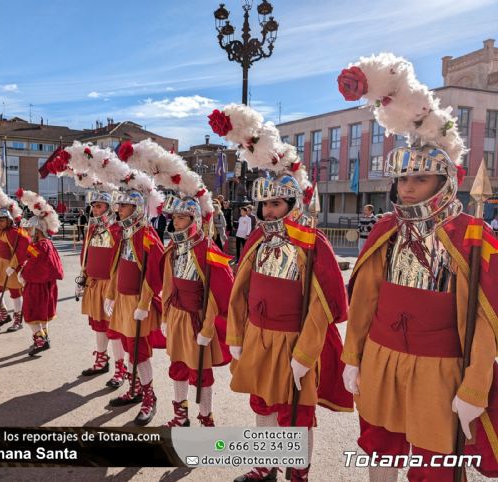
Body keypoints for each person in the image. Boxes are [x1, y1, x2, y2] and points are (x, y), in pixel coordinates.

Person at [339, 52, 498, 482]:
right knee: (379, 449)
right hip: (381, 356)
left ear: (445, 182)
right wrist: (353, 355)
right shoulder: (386, 229)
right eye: (402, 179)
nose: (407, 188)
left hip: (440, 367)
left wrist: (475, 385)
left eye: (420, 179)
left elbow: (487, 321)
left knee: (434, 465)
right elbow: (365, 299)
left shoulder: (474, 235)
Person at [208, 102, 352, 482]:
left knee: (297, 412)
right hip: (259, 335)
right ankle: (265, 462)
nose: (269, 210)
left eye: (276, 203)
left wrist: (306, 353)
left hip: (295, 340)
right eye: (265, 203)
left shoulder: (312, 243)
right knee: (264, 404)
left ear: (292, 203)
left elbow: (323, 304)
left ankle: (298, 470)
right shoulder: (256, 237)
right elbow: (240, 291)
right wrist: (237, 336)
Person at [160, 194, 233, 428]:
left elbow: (217, 292)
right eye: (174, 218)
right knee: (177, 366)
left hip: (198, 320)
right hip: (177, 316)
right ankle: (181, 414)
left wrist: (208, 327)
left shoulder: (207, 250)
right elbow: (167, 285)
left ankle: (206, 417)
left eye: (181, 218)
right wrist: (165, 316)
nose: (176, 223)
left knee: (201, 371)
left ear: (194, 219)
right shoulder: (173, 247)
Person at [104, 188, 165, 426]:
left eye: (123, 206)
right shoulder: (125, 232)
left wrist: (144, 303)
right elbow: (117, 266)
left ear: (136, 208)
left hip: (137, 302)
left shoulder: (146, 233)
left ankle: (149, 396)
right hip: (122, 299)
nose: (118, 210)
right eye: (118, 206)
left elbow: (154, 271)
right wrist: (110, 294)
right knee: (130, 347)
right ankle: (135, 388)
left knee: (139, 352)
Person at [77, 191, 128, 389]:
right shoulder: (91, 228)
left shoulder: (117, 229)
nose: (95, 210)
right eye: (94, 206)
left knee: (114, 329)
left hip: (110, 285)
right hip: (93, 282)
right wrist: (82, 276)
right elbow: (86, 254)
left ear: (109, 207)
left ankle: (120, 368)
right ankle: (101, 360)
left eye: (99, 206)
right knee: (98, 324)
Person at [16, 195, 64, 356]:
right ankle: (44, 337)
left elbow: (35, 265)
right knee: (41, 314)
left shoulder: (41, 246)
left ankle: (40, 340)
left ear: (39, 230)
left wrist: (23, 273)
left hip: (37, 285)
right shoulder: (44, 244)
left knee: (33, 313)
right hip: (43, 285)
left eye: (32, 229)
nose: (29, 232)